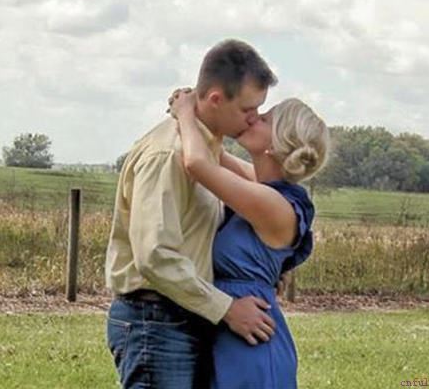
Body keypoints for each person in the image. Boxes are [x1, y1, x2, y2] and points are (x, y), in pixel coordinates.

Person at [104, 39, 282, 388]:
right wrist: (227, 309)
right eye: (247, 108)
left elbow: (264, 191)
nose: (254, 118)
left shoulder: (205, 150)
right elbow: (155, 256)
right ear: (215, 98)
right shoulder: (168, 155)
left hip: (185, 313)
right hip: (155, 318)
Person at [170, 89, 330, 388]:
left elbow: (199, 164)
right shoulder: (262, 187)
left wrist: (185, 113)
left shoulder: (274, 204)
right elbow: (216, 155)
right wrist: (205, 110)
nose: (254, 117)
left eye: (265, 119)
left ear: (275, 145)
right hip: (230, 332)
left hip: (251, 345)